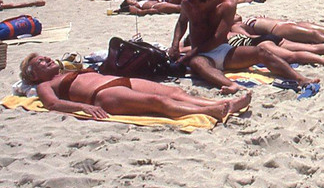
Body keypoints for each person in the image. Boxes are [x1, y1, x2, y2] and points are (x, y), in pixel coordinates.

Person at [168, 0, 318, 94]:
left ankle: (300, 79)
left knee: (261, 52)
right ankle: (231, 85)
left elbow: (217, 38)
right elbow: (181, 23)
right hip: (200, 53)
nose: (193, 8)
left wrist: (189, 54)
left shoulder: (227, 6)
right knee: (197, 63)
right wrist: (175, 45)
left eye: (197, 5)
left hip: (220, 49)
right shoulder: (187, 4)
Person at [19, 52, 251, 121]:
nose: (47, 60)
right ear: (33, 74)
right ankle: (210, 111)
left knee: (175, 91)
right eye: (40, 62)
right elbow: (52, 104)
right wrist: (83, 108)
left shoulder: (67, 70)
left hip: (116, 82)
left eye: (46, 57)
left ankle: (221, 103)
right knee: (158, 103)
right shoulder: (45, 85)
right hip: (102, 94)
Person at [238, 15, 324, 47]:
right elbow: (249, 39)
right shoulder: (236, 26)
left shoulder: (244, 18)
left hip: (286, 23)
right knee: (315, 35)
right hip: (278, 29)